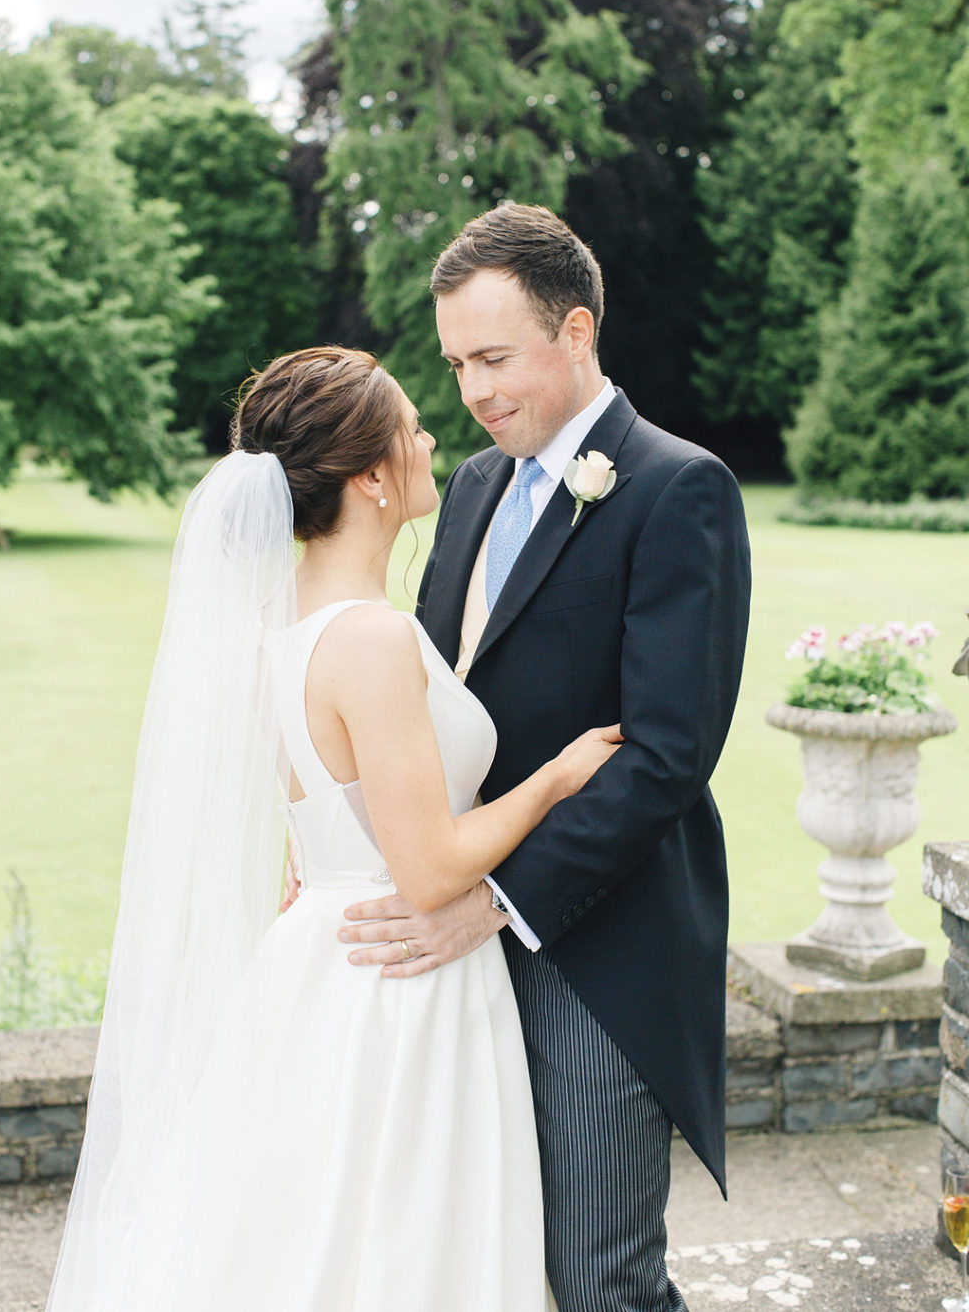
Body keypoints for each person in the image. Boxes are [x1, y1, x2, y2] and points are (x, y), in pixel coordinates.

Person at [45, 345, 621, 1312]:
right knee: (404, 1252)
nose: (434, 436)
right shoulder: (371, 637)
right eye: (411, 426)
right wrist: (553, 782)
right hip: (402, 983)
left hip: (318, 958)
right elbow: (431, 868)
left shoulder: (277, 623)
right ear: (369, 476)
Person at [338, 205, 752, 1312]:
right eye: (456, 364)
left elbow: (665, 756)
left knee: (598, 1279)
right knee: (486, 1256)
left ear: (575, 332)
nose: (471, 390)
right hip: (456, 939)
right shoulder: (470, 487)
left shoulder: (678, 488)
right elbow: (424, 703)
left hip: (601, 954)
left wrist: (497, 903)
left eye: (494, 357)